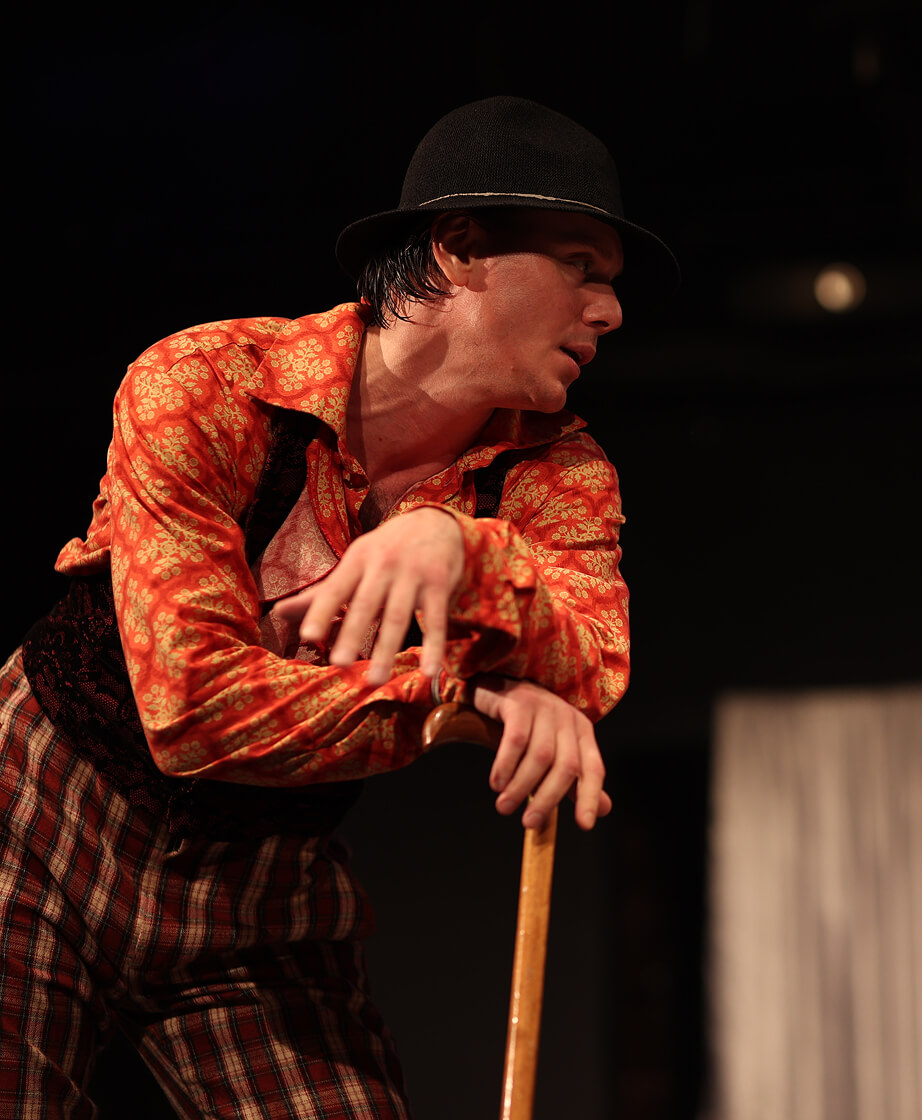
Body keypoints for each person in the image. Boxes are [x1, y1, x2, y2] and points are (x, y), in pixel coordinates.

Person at [0, 96, 678, 1117]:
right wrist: (461, 697)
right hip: (39, 831)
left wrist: (458, 548)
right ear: (459, 249)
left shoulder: (557, 471)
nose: (610, 310)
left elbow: (595, 662)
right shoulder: (209, 383)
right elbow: (192, 709)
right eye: (583, 266)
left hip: (262, 891)